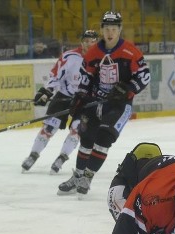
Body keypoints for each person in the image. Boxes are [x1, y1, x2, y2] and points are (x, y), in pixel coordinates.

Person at [57, 10, 150, 198]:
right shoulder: (94, 52)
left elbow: (144, 75)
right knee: (86, 139)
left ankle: (87, 177)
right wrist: (80, 97)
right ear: (102, 29)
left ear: (119, 30)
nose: (110, 32)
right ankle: (78, 176)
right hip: (95, 102)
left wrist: (129, 88)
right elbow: (86, 77)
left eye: (114, 28)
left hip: (119, 105)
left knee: (104, 138)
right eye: (107, 28)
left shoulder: (130, 51)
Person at [22, 29, 99, 174]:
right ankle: (33, 155)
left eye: (93, 42)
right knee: (49, 128)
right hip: (64, 96)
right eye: (86, 41)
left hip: (84, 101)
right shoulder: (70, 56)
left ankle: (61, 158)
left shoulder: (100, 59)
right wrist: (47, 92)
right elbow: (55, 75)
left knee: (77, 130)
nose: (89, 44)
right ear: (81, 42)